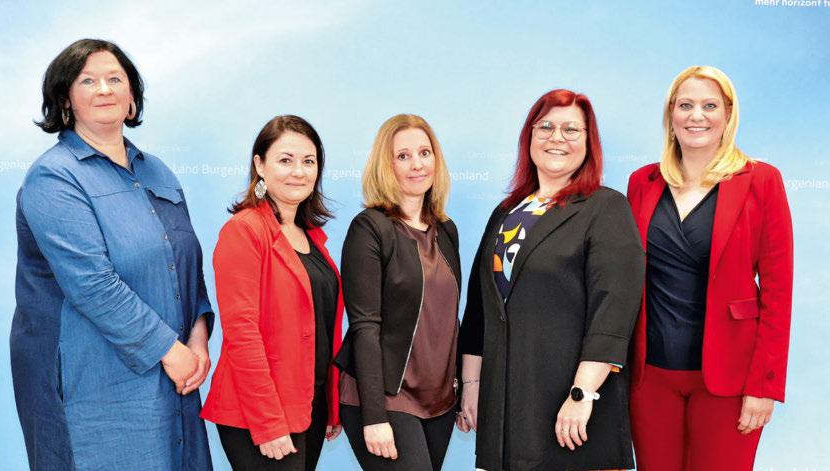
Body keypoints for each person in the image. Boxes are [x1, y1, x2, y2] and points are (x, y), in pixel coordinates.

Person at [12, 39, 214, 470]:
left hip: (172, 374)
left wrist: (197, 340)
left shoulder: (158, 171)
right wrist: (171, 351)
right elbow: (92, 283)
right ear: (65, 99)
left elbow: (186, 266)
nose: (104, 89)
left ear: (132, 97)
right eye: (88, 81)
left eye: (115, 79)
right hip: (93, 380)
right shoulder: (53, 177)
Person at [458, 89, 645, 471]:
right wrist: (472, 386)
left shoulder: (605, 207)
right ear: (529, 136)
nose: (556, 138)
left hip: (572, 409)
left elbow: (613, 311)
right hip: (506, 411)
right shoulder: (507, 211)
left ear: (588, 142)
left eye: (571, 129)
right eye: (545, 127)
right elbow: (480, 309)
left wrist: (582, 394)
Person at [626, 66, 793, 470]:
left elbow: (778, 291)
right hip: (650, 378)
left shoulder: (761, 180)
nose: (696, 116)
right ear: (671, 114)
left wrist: (764, 385)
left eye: (709, 106)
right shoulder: (642, 181)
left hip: (729, 379)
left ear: (728, 115)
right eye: (685, 105)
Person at [200, 115, 344, 470]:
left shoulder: (311, 237)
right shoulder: (244, 230)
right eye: (285, 160)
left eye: (308, 161)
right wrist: (267, 422)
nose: (299, 171)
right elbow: (242, 333)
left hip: (308, 405)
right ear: (260, 166)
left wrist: (329, 404)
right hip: (260, 413)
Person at [333, 114, 461, 470]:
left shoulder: (446, 230)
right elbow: (365, 326)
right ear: (385, 166)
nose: (417, 164)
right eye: (403, 156)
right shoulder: (370, 228)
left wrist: (462, 390)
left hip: (439, 401)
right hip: (386, 398)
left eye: (424, 153)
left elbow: (448, 318)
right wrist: (375, 416)